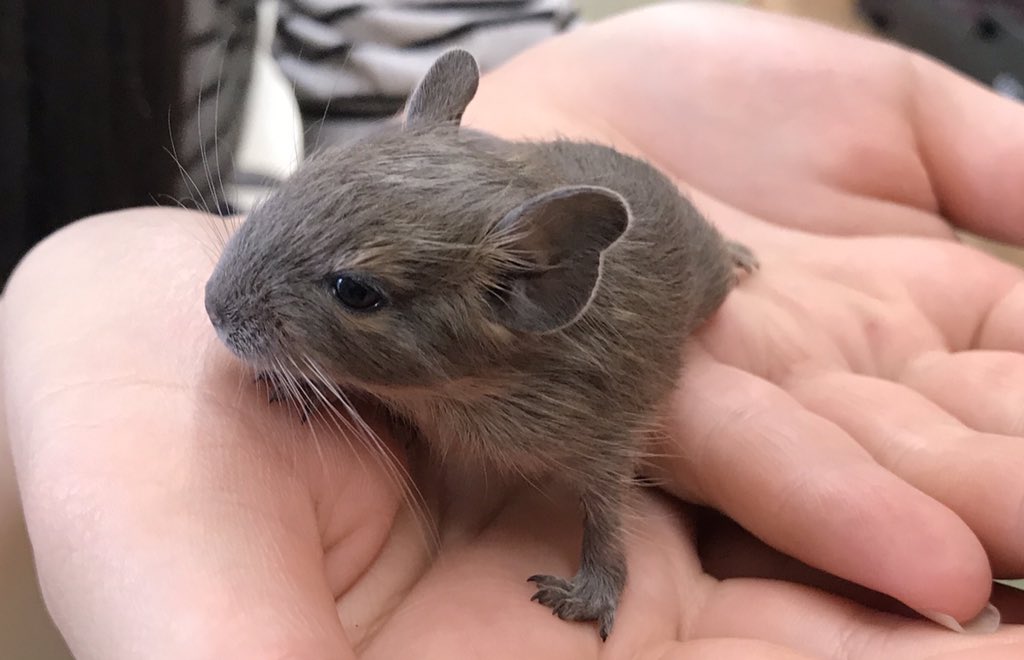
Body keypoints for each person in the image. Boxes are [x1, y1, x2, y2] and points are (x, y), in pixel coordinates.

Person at [4, 3, 1024, 657]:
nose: (221, 308)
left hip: (651, 231)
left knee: (707, 277)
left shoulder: (547, 391)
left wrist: (599, 576)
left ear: (527, 294)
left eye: (354, 295)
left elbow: (607, 461)